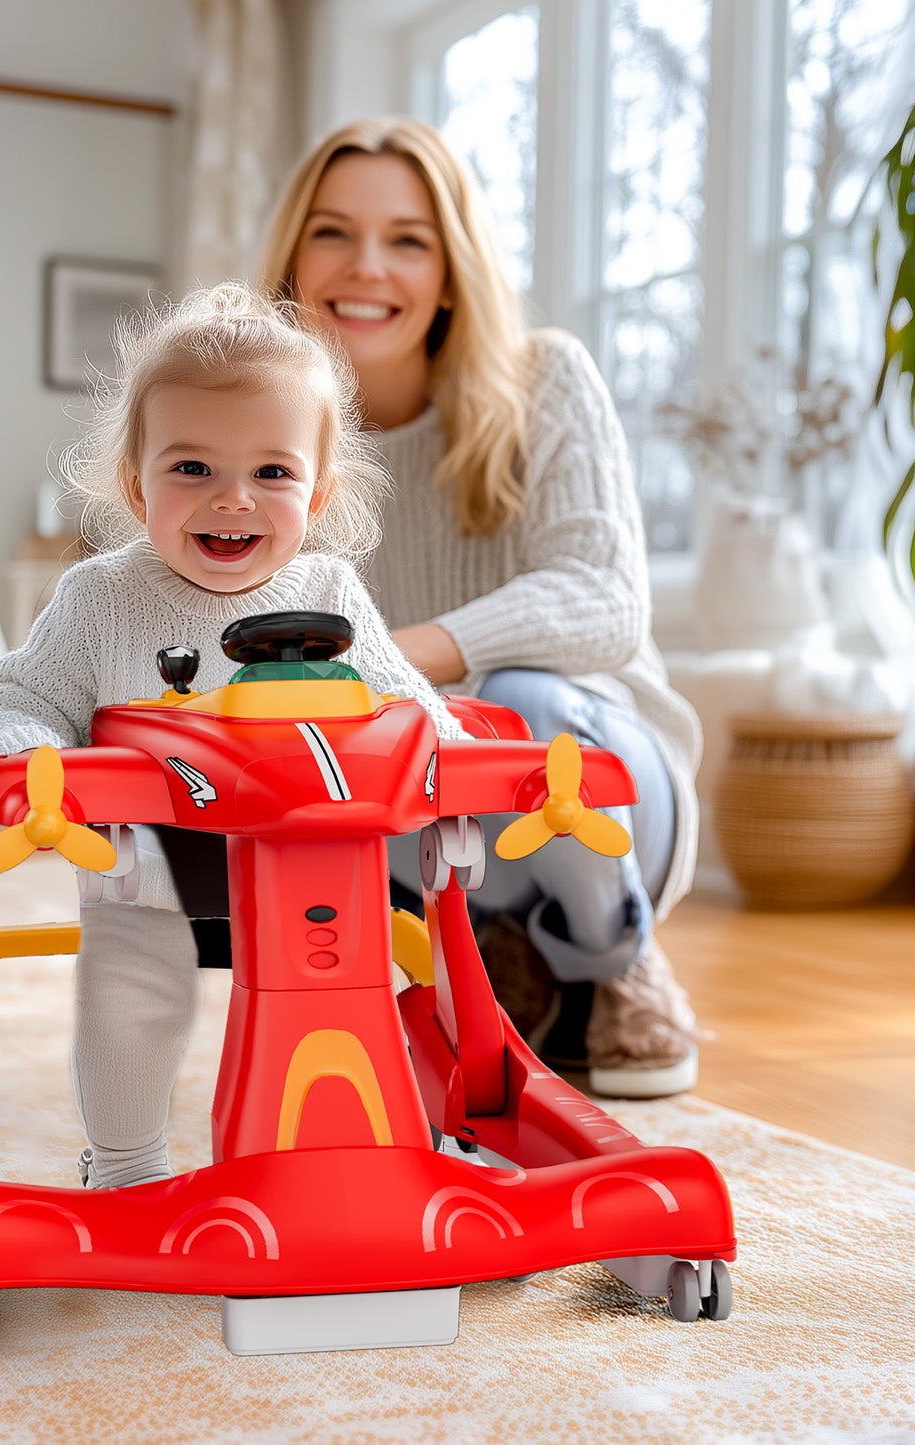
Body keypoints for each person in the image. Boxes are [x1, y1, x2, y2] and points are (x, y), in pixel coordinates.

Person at [0, 280, 467, 1188]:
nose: (233, 499)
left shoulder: (332, 592)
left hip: (312, 872)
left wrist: (455, 778)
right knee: (129, 998)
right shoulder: (101, 597)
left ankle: (390, 1147)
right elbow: (18, 696)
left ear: (317, 494)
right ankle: (124, 1164)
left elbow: (404, 706)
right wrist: (21, 759)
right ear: (134, 482)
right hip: (145, 865)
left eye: (271, 473)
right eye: (192, 469)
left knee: (381, 994)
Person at [259, 117, 705, 1099]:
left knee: (519, 698)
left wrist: (391, 653)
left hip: (598, 789)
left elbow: (602, 600)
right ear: (292, 257)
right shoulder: (268, 443)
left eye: (407, 239)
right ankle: (494, 948)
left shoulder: (543, 379)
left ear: (452, 268)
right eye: (332, 232)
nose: (365, 265)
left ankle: (611, 958)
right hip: (427, 816)